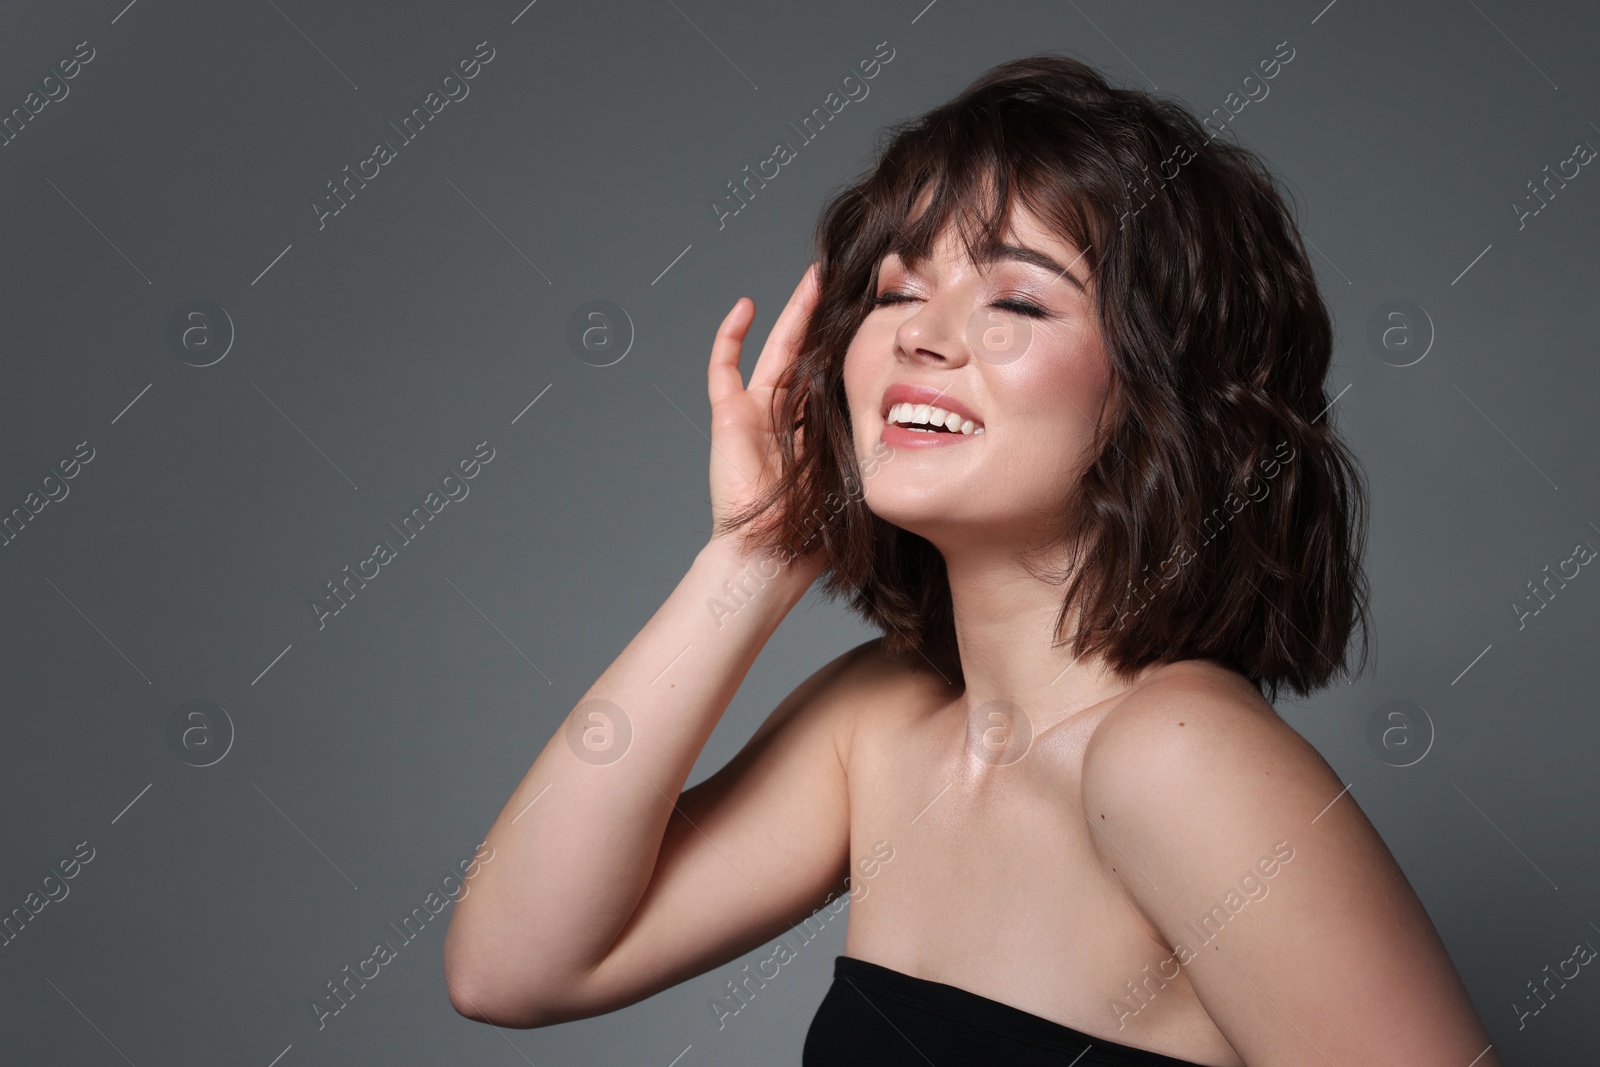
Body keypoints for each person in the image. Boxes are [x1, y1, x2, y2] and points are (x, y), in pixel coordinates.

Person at [442, 53, 1501, 1066]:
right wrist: (755, 556)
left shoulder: (1179, 757)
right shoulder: (881, 724)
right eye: (898, 291)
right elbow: (514, 968)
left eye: (1016, 301)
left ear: (1162, 393)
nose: (921, 335)